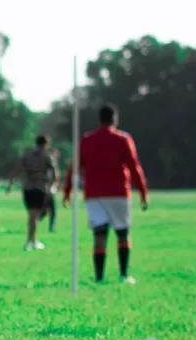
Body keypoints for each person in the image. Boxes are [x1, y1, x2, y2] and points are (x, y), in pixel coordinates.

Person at [63, 104, 149, 284]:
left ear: (99, 119)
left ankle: (99, 277)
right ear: (114, 119)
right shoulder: (123, 139)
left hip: (94, 194)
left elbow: (74, 166)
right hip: (119, 193)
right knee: (123, 234)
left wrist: (67, 191)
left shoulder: (87, 140)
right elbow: (134, 167)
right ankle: (124, 275)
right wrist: (142, 191)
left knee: (99, 236)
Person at [5, 135, 57, 250]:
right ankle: (30, 241)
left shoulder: (27, 155)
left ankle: (33, 239)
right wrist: (52, 185)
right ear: (46, 144)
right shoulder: (47, 157)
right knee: (35, 215)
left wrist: (10, 184)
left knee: (33, 214)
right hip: (40, 187)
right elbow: (54, 173)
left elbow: (16, 170)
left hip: (27, 187)